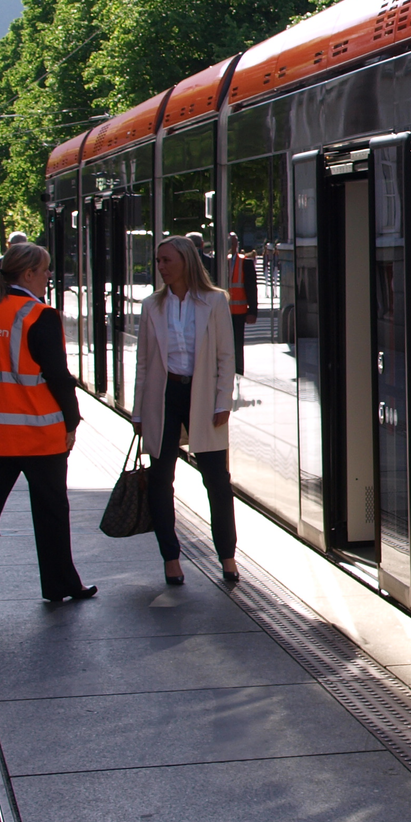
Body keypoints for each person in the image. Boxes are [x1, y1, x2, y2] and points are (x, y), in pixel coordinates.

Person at [0, 241, 96, 609]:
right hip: (38, 433)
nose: (47, 276)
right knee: (51, 508)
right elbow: (58, 377)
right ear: (27, 274)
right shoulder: (38, 315)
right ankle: (60, 584)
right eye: (44, 270)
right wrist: (71, 420)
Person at [133, 234, 238, 585]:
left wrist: (223, 401)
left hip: (203, 396)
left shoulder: (214, 301)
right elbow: (144, 363)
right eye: (158, 261)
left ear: (186, 262)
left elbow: (226, 356)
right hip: (163, 397)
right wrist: (138, 412)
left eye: (167, 260)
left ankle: (227, 556)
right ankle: (171, 558)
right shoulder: (152, 305)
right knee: (160, 479)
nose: (161, 267)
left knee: (217, 480)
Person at [223, 232, 258, 377]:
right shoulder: (220, 261)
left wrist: (252, 311)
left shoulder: (244, 262)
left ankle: (238, 372)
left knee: (237, 345)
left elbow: (251, 288)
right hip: (222, 311)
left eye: (232, 243)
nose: (230, 246)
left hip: (239, 312)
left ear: (236, 245)